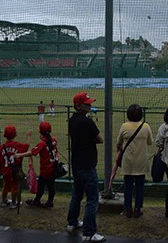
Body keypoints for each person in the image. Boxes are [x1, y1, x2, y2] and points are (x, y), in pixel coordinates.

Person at [67, 92, 105, 242]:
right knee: (92, 199)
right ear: (78, 106)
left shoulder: (72, 120)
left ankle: (72, 222)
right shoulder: (87, 122)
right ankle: (89, 233)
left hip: (76, 163)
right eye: (87, 103)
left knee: (77, 195)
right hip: (87, 165)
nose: (89, 105)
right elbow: (100, 139)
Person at [117, 104, 153, 218]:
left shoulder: (124, 126)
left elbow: (119, 141)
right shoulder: (146, 126)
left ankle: (128, 209)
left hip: (128, 161)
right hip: (141, 161)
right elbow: (150, 142)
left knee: (127, 186)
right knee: (139, 186)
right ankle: (138, 209)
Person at [16, 122, 57, 208]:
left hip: (46, 169)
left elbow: (32, 152)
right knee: (51, 186)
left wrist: (20, 155)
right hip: (53, 168)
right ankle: (50, 202)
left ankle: (37, 201)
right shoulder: (53, 140)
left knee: (41, 186)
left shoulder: (42, 143)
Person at [0, 125, 31, 209]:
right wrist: (28, 136)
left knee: (5, 186)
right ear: (15, 135)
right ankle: (14, 202)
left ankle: (4, 201)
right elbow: (27, 146)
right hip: (14, 172)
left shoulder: (2, 146)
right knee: (14, 187)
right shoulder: (17, 145)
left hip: (5, 171)